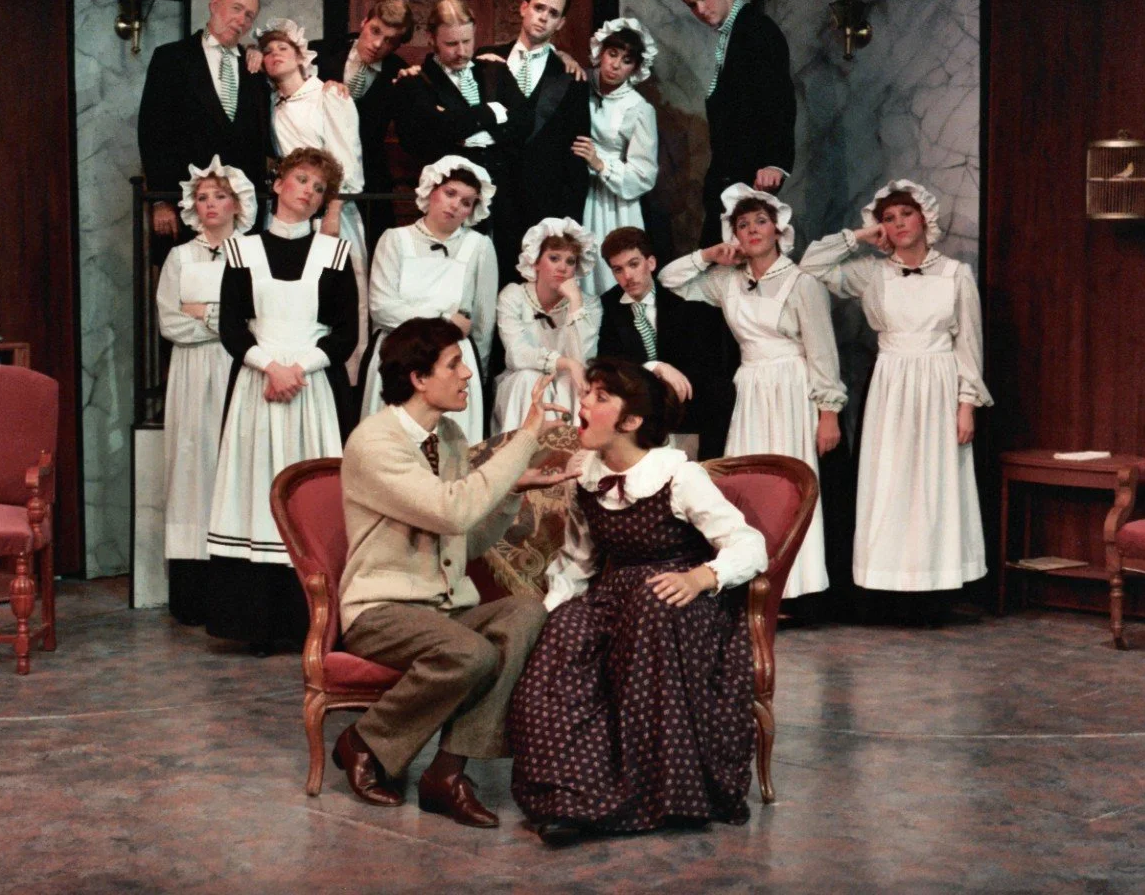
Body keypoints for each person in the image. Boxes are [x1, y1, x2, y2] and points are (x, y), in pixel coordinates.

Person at [508, 357, 767, 844]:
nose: (583, 401)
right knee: (565, 633)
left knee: (650, 607)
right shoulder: (587, 473)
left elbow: (750, 545)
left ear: (631, 422)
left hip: (682, 604)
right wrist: (552, 617)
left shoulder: (677, 475)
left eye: (600, 397)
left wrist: (701, 577)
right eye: (589, 393)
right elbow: (579, 560)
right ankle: (572, 797)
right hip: (616, 596)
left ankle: (659, 796)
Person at [336, 317, 580, 827]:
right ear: (418, 378)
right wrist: (527, 435)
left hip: (441, 609)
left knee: (525, 613)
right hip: (380, 611)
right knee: (471, 653)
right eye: (454, 364)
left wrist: (511, 493)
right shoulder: (374, 443)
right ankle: (363, 740)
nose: (467, 374)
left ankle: (446, 773)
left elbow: (462, 540)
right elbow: (450, 509)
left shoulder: (446, 435)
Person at [796, 179, 992, 617]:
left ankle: (936, 587)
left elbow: (969, 345)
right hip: (891, 385)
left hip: (940, 384)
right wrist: (861, 237)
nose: (899, 223)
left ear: (924, 217)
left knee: (936, 485)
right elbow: (810, 267)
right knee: (890, 482)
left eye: (905, 214)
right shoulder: (872, 273)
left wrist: (966, 405)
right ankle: (887, 588)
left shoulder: (956, 274)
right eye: (888, 217)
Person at [658, 185, 846, 599]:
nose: (753, 230)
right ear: (735, 236)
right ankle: (750, 581)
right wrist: (709, 255)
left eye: (761, 221)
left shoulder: (802, 283)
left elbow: (822, 352)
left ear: (778, 229)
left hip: (792, 390)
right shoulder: (727, 281)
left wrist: (828, 411)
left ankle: (793, 587)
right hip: (751, 389)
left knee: (790, 481)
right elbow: (669, 279)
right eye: (743, 225)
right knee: (751, 483)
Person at [205, 147, 359, 653]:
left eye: (318, 188)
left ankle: (311, 622)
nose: (309, 193)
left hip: (312, 388)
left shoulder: (334, 254)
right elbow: (230, 327)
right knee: (254, 490)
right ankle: (255, 624)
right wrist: (270, 367)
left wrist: (298, 370)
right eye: (301, 180)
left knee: (311, 496)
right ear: (278, 184)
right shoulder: (240, 251)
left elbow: (345, 333)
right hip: (258, 385)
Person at [154, 158, 257, 624]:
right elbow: (171, 321)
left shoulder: (254, 253)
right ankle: (192, 592)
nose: (210, 204)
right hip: (194, 372)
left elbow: (256, 320)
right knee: (193, 463)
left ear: (238, 203)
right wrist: (221, 321)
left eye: (219, 196)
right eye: (202, 197)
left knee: (234, 465)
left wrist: (208, 314)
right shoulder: (180, 257)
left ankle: (235, 585)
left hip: (241, 367)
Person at [256, 18, 370, 385]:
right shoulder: (272, 104)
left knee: (338, 298)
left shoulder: (327, 95)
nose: (274, 55)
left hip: (330, 213)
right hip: (292, 212)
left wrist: (333, 211)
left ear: (301, 57)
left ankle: (343, 384)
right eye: (268, 50)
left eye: (283, 49)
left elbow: (347, 161)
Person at [394, 0, 533, 284]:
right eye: (451, 44)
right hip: (450, 199)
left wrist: (458, 123)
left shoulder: (494, 70)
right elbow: (423, 138)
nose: (461, 52)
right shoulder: (415, 84)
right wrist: (489, 111)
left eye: (467, 42)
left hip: (505, 192)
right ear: (431, 39)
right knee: (454, 273)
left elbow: (523, 124)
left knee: (505, 269)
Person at [361, 156, 499, 443]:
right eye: (450, 194)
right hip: (398, 357)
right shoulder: (395, 239)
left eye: (466, 202)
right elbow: (382, 307)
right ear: (431, 191)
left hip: (452, 364)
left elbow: (484, 322)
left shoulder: (479, 247)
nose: (455, 205)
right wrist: (444, 321)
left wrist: (477, 377)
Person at [671, 0, 795, 246]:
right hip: (732, 175)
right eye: (692, 4)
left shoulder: (756, 29)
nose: (700, 10)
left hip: (752, 175)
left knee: (735, 266)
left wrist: (775, 161)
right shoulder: (736, 30)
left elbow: (779, 97)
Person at [138, 0, 268, 238]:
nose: (241, 19)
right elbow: (152, 131)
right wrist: (160, 200)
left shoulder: (255, 68)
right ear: (214, 5)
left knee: (239, 279)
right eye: (236, 8)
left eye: (249, 15)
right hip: (184, 209)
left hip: (242, 215)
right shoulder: (171, 58)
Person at [597, 227, 730, 460]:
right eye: (618, 269)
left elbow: (699, 360)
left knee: (718, 394)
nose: (627, 276)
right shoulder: (607, 307)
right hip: (636, 403)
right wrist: (655, 366)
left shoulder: (678, 298)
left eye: (633, 264)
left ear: (651, 262)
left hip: (683, 401)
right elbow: (610, 363)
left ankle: (708, 468)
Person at [476, 0, 590, 232]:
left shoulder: (572, 78)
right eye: (539, 8)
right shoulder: (485, 60)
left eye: (553, 13)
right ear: (524, 8)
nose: (543, 18)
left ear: (560, 23)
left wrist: (569, 222)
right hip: (488, 197)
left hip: (544, 204)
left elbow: (577, 157)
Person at [313, 0, 413, 259]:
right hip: (314, 175)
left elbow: (413, 136)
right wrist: (257, 51)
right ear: (364, 22)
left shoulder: (399, 73)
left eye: (391, 40)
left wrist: (415, 90)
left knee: (369, 260)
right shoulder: (320, 53)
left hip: (369, 183)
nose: (379, 44)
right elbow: (277, 57)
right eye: (375, 31)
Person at [574, 19, 660, 297]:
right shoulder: (579, 84)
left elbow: (643, 174)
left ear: (635, 68)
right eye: (612, 54)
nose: (615, 65)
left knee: (610, 270)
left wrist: (601, 164)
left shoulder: (639, 109)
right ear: (601, 52)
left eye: (626, 60)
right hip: (576, 189)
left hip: (614, 201)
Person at [492, 218, 600, 436]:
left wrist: (575, 304)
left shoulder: (589, 303)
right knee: (529, 378)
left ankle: (571, 454)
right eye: (554, 258)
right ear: (535, 262)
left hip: (567, 382)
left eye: (570, 261)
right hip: (520, 384)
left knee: (575, 381)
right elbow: (517, 354)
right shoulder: (513, 295)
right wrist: (565, 362)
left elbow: (583, 360)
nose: (562, 267)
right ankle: (520, 456)